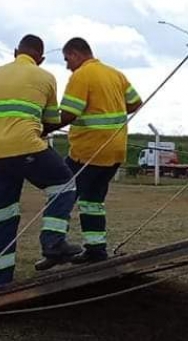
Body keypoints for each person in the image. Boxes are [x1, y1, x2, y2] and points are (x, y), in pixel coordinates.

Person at [0, 34, 81, 289]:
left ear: (15, 51)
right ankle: (53, 242)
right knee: (64, 184)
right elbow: (52, 121)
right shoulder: (45, 77)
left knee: (1, 217)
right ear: (40, 59)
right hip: (25, 146)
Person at [57, 37, 142, 264]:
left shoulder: (81, 75)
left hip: (89, 150)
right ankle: (96, 250)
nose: (67, 66)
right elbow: (135, 102)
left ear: (75, 54)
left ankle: (54, 246)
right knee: (93, 201)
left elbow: (68, 113)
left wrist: (42, 127)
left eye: (67, 60)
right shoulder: (115, 74)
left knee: (60, 194)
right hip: (114, 151)